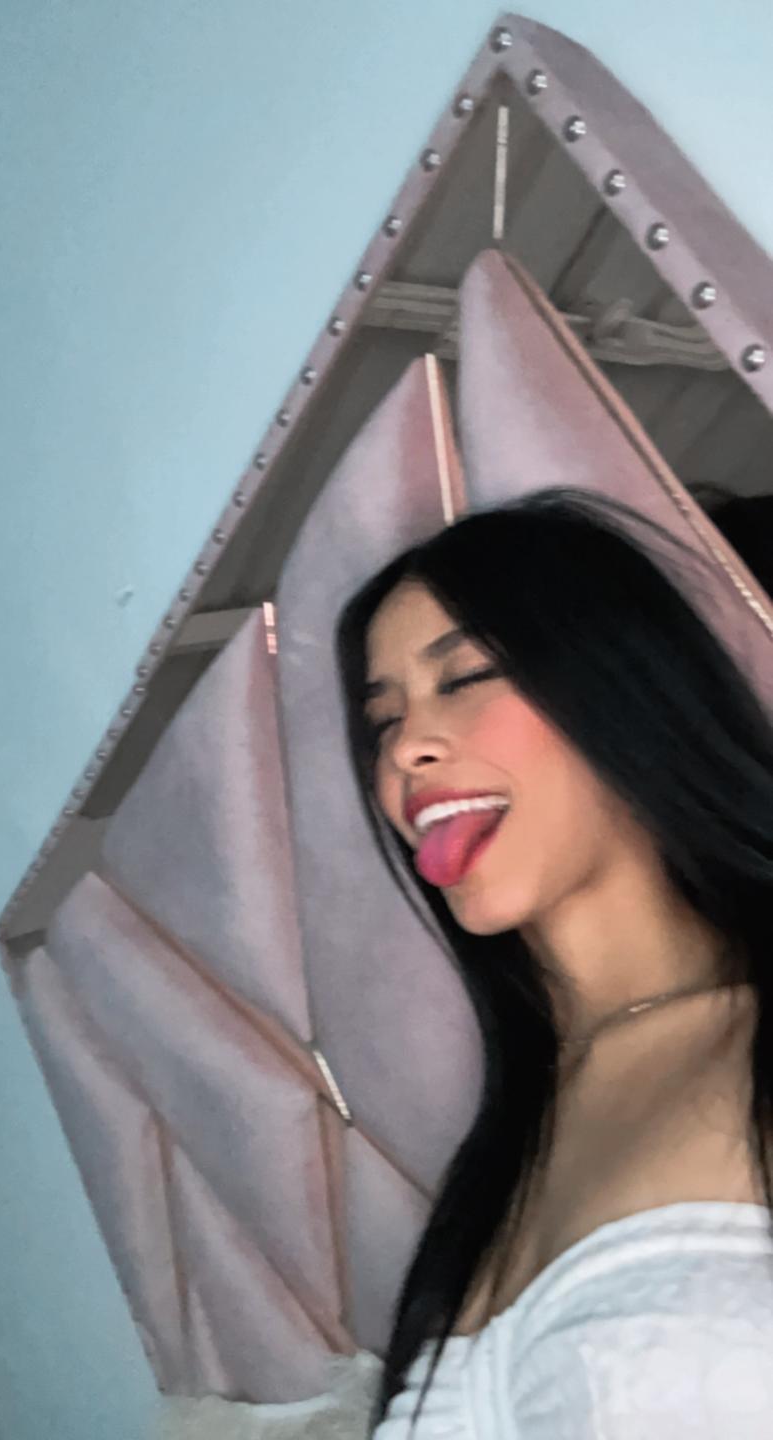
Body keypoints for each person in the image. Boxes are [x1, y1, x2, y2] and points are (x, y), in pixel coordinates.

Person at [334, 486, 773, 1438]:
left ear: (625, 692)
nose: (407, 749)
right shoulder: (499, 1154)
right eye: (382, 722)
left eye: (465, 677)